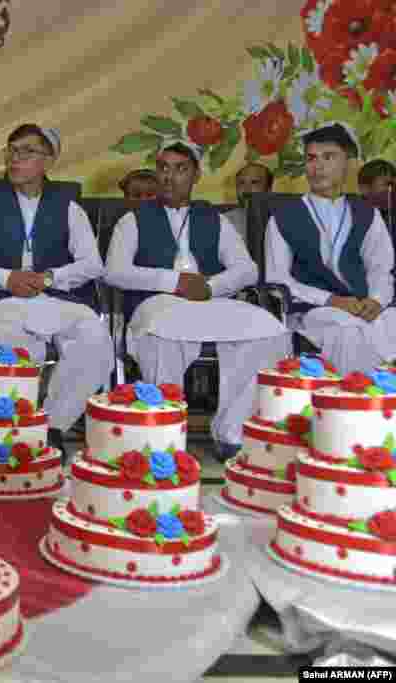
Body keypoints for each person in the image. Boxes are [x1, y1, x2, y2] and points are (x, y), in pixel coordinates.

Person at [105, 140, 289, 462]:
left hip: (209, 301)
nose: (169, 177)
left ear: (195, 175)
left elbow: (247, 270)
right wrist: (173, 282)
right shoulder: (132, 220)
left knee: (269, 332)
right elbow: (115, 272)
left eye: (180, 169)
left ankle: (232, 431)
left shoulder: (215, 219)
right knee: (164, 333)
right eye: (163, 168)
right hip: (157, 303)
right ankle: (164, 434)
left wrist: (211, 287)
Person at [0, 124, 112, 454]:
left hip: (58, 298)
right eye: (12, 150)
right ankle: (14, 429)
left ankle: (53, 426)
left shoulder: (68, 207)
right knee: (12, 341)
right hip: (5, 300)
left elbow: (93, 264)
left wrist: (49, 278)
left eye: (27, 151)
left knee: (94, 338)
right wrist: (4, 278)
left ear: (49, 161)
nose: (15, 159)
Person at [266, 122, 396, 374]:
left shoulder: (367, 213)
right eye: (311, 158)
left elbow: (381, 267)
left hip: (364, 306)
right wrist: (331, 300)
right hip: (312, 312)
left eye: (328, 157)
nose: (318, 167)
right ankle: (355, 403)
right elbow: (277, 278)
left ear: (346, 162)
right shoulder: (283, 216)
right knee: (347, 330)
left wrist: (376, 300)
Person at [224, 162, 274, 245]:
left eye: (254, 182)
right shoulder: (225, 221)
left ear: (269, 189)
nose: (246, 189)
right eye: (241, 183)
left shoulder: (281, 220)